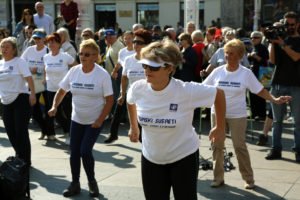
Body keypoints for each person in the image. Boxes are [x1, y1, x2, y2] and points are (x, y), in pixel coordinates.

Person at [127, 39, 226, 200]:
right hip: (151, 157)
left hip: (183, 156)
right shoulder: (138, 88)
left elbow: (219, 94)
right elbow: (130, 101)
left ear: (169, 68)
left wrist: (220, 127)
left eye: (153, 67)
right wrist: (134, 127)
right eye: (144, 65)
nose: (147, 70)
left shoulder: (186, 91)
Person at [203, 39, 291, 189]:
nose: (227, 57)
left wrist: (274, 99)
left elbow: (260, 90)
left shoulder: (246, 73)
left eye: (231, 54)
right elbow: (203, 88)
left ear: (239, 56)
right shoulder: (217, 71)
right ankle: (218, 178)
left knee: (239, 146)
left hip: (237, 115)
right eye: (226, 54)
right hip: (217, 114)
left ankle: (248, 179)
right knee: (217, 146)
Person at [48, 39, 114, 197]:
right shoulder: (74, 71)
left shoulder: (102, 74)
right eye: (81, 53)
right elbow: (62, 91)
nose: (83, 56)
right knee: (74, 152)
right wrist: (54, 106)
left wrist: (100, 120)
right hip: (77, 119)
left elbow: (110, 100)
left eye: (87, 54)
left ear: (95, 56)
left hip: (94, 121)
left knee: (85, 151)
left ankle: (92, 182)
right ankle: (75, 183)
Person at [105, 29, 152, 143]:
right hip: (131, 95)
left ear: (147, 45)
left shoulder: (152, 60)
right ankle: (113, 134)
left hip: (147, 99)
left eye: (139, 42)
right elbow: (124, 77)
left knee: (145, 130)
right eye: (135, 41)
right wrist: (122, 93)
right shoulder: (128, 59)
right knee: (118, 113)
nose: (135, 44)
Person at [265, 11, 300, 162]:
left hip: (296, 85)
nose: (289, 27)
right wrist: (273, 43)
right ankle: (276, 149)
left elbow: (296, 56)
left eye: (291, 24)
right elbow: (273, 61)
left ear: (298, 24)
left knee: (297, 121)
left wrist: (283, 44)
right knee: (277, 120)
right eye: (287, 24)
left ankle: (298, 150)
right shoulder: (280, 39)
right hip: (278, 84)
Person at [0, 37, 36, 167]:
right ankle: (19, 154)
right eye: (2, 46)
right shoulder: (0, 63)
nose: (4, 49)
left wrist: (32, 94)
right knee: (10, 131)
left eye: (7, 47)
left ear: (14, 49)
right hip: (4, 102)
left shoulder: (19, 62)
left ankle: (25, 160)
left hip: (20, 99)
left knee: (21, 131)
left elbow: (29, 78)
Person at [44, 33, 76, 142]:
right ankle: (64, 131)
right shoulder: (46, 57)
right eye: (49, 42)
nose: (51, 44)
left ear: (59, 43)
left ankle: (71, 135)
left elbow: (76, 67)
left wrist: (72, 80)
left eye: (53, 42)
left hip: (64, 89)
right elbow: (46, 70)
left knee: (67, 112)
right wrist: (45, 79)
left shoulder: (65, 56)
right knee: (54, 112)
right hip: (50, 89)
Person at [21, 29, 50, 140]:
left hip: (45, 83)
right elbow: (21, 64)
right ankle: (44, 130)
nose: (37, 40)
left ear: (44, 39)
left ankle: (49, 132)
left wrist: (40, 72)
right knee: (34, 110)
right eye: (35, 38)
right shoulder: (29, 50)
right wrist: (30, 69)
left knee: (48, 109)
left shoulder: (48, 50)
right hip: (32, 84)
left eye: (39, 38)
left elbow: (51, 67)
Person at [248, 31, 269, 121]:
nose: (253, 39)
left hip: (263, 73)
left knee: (260, 94)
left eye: (255, 37)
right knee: (252, 93)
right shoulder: (252, 48)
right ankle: (253, 113)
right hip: (253, 72)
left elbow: (266, 62)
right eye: (251, 37)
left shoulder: (263, 48)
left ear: (260, 38)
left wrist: (255, 56)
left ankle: (262, 114)